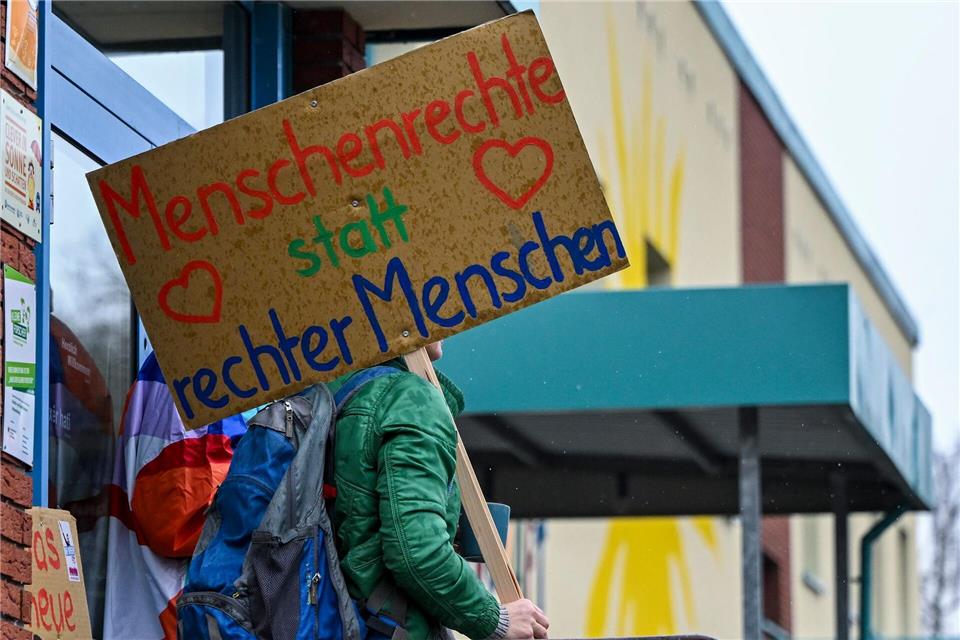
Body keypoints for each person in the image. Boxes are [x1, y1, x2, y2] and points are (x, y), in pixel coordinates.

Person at [329, 340, 550, 640]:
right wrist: (496, 620)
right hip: (388, 628)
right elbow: (417, 553)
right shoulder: (411, 400)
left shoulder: (333, 393)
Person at [103, 352, 247, 640]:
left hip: (160, 609)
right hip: (178, 611)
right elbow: (177, 520)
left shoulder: (204, 366)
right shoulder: (201, 367)